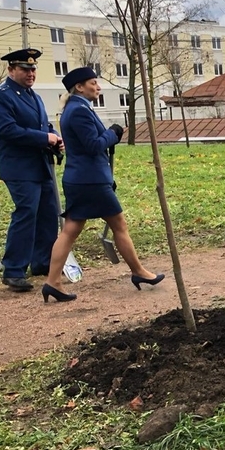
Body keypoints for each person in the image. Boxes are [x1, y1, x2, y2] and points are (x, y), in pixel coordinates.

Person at [41, 67, 164, 303]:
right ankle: (138, 272)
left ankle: (52, 282)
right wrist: (113, 133)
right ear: (79, 86)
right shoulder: (78, 111)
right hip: (90, 181)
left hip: (81, 179)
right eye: (93, 83)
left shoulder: (75, 108)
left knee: (70, 231)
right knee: (119, 225)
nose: (97, 87)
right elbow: (93, 145)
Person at [0, 48, 63, 292]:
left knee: (48, 213)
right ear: (11, 70)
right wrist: (45, 138)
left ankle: (41, 263)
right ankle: (14, 270)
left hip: (40, 164)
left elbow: (43, 124)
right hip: (19, 167)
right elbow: (7, 130)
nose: (30, 73)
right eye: (24, 68)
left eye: (33, 69)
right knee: (27, 213)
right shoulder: (1, 96)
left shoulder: (33, 96)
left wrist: (55, 136)